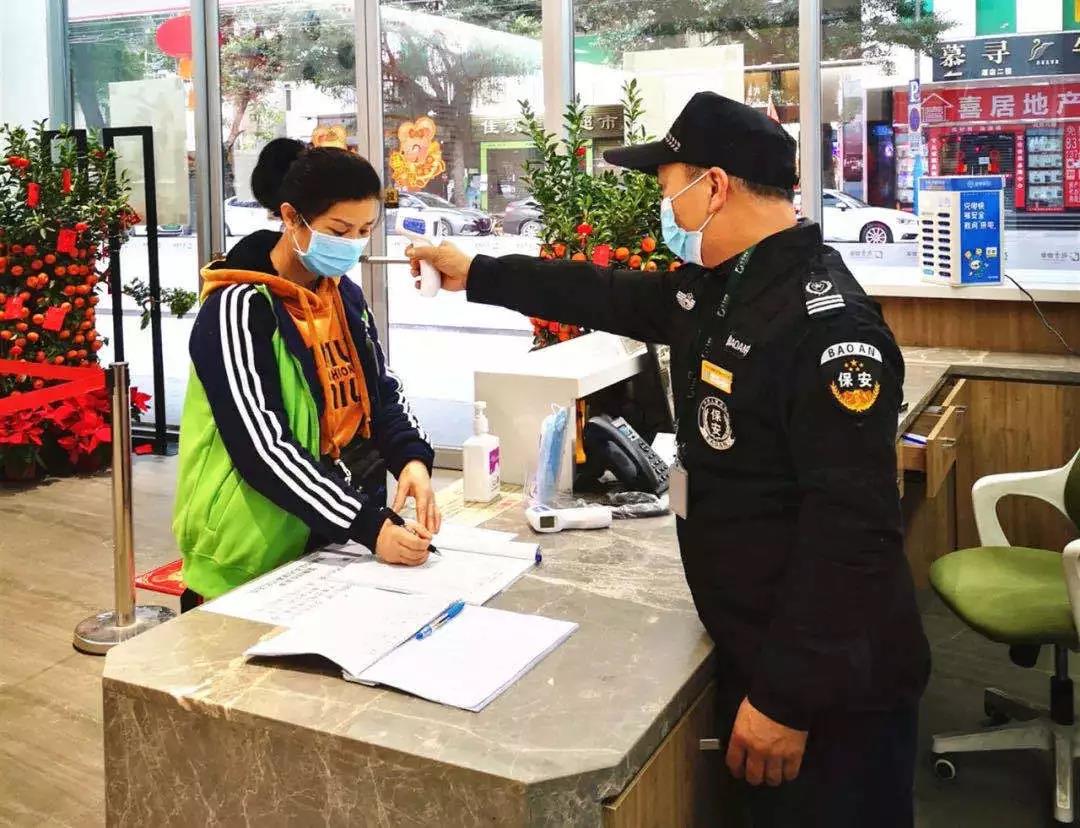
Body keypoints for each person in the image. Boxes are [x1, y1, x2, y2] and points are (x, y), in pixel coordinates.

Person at [406, 93, 930, 825]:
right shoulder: (726, 285)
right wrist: (479, 273)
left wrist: (787, 698)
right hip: (758, 639)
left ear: (713, 187)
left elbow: (853, 535)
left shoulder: (826, 328)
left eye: (667, 187)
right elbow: (606, 293)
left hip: (831, 692)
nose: (665, 207)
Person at [174, 139, 440, 609]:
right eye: (339, 230)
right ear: (292, 218)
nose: (352, 244)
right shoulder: (238, 308)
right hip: (250, 557)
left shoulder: (343, 296)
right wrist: (367, 525)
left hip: (336, 542)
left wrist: (411, 459)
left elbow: (380, 391)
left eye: (364, 230)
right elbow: (263, 448)